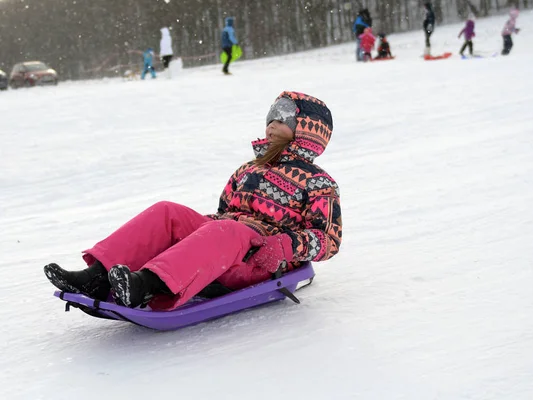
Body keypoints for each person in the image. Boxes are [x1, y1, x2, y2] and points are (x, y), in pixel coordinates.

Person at [43, 91, 343, 311]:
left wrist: (285, 246)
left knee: (226, 230)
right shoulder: (248, 169)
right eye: (271, 115)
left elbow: (328, 239)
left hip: (260, 259)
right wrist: (191, 230)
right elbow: (224, 212)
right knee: (167, 212)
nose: (272, 122)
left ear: (307, 131)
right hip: (224, 245)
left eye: (285, 117)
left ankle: (145, 286)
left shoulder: (319, 183)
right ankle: (97, 275)